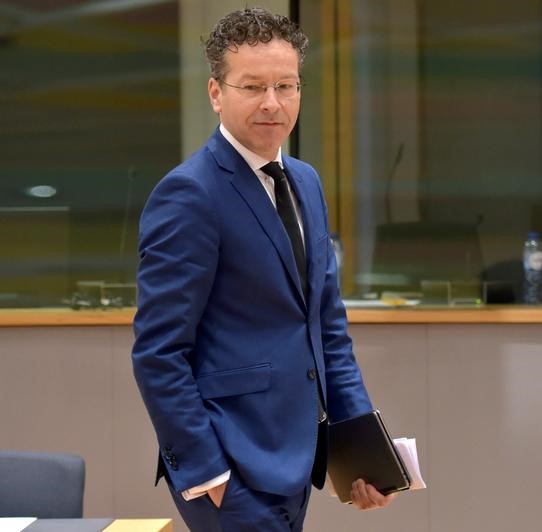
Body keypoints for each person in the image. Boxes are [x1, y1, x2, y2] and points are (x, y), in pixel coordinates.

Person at [131, 8, 394, 531]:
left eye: (286, 85)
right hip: (230, 467)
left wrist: (362, 450)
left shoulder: (305, 182)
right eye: (252, 86)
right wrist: (206, 471)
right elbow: (158, 351)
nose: (272, 103)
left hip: (297, 460)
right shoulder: (190, 194)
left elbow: (327, 330)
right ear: (215, 92)